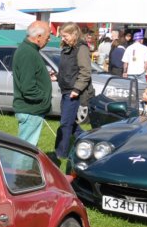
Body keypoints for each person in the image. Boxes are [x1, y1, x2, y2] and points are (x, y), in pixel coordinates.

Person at [54, 22, 93, 160]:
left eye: (65, 36)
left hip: (74, 92)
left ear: (73, 34)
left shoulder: (81, 48)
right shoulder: (66, 48)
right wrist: (57, 76)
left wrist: (77, 89)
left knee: (65, 123)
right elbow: (67, 69)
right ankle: (88, 140)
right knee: (70, 123)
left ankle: (61, 154)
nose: (63, 39)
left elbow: (85, 71)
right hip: (66, 90)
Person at [12, 21, 53, 146]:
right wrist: (43, 96)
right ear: (39, 36)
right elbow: (28, 87)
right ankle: (20, 167)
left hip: (31, 110)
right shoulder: (28, 53)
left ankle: (22, 166)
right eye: (47, 36)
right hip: (30, 110)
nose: (49, 39)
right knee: (25, 150)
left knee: (26, 148)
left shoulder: (30, 50)